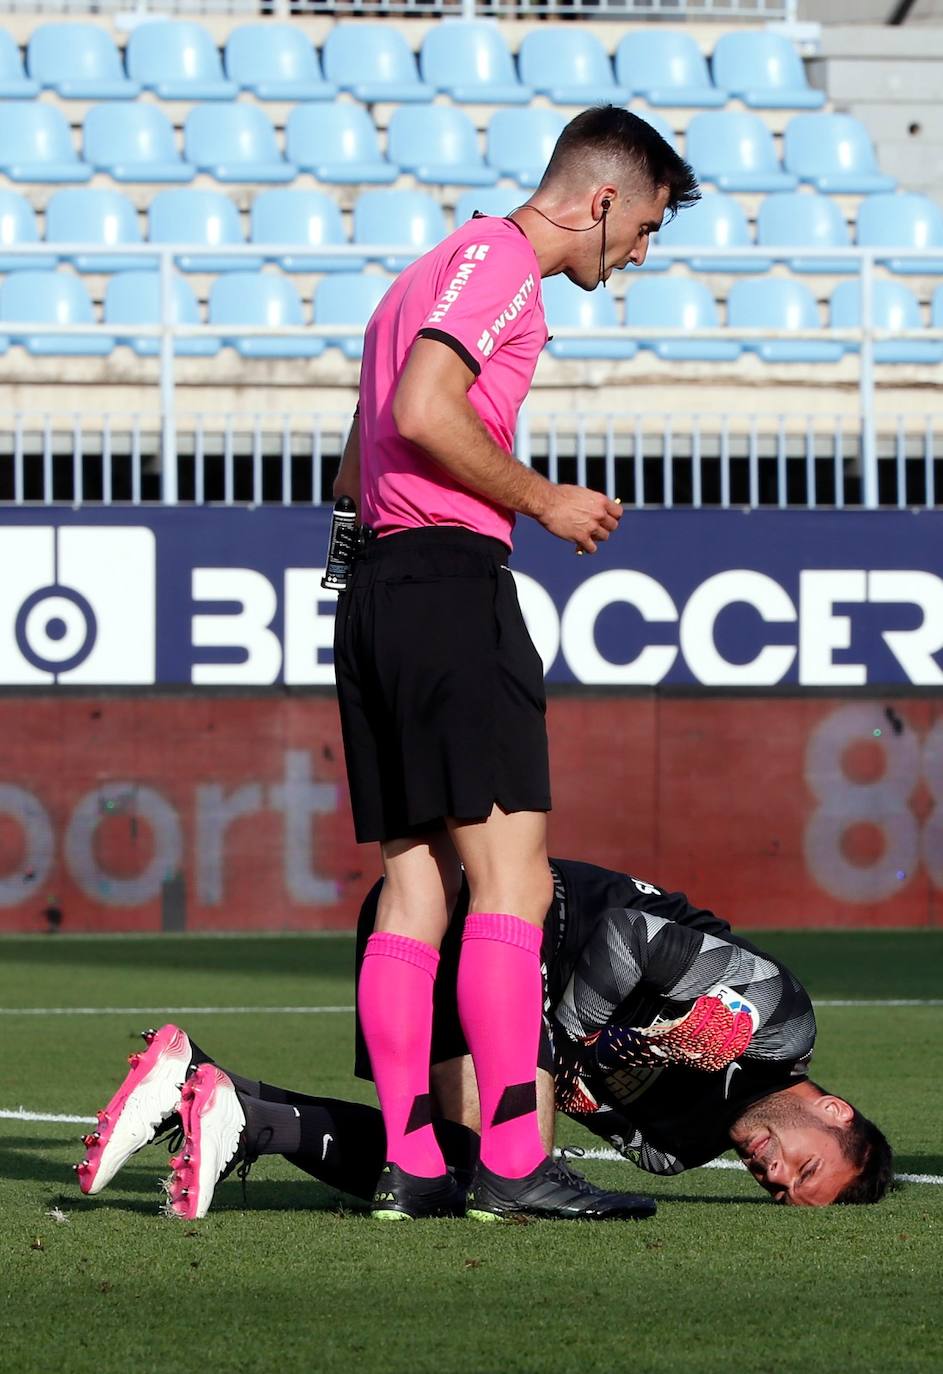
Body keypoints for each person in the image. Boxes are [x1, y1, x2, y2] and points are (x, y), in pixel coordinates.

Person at [318, 104, 700, 1223]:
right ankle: (515, 1161)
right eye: (643, 231)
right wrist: (543, 500)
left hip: (381, 591)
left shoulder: (421, 272)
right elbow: (423, 409)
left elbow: (356, 461)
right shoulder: (497, 265)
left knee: (415, 887)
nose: (637, 257)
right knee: (514, 881)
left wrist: (380, 593)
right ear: (601, 201)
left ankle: (413, 1165)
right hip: (446, 583)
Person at [74, 858, 892, 1216]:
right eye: (802, 1166)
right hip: (507, 917)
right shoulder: (779, 1020)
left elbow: (575, 1089)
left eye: (778, 1192)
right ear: (833, 1111)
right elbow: (622, 939)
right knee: (510, 1180)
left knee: (453, 1169)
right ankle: (239, 1113)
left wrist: (592, 1060)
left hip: (420, 922)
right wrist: (583, 1042)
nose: (772, 1174)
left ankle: (220, 1094)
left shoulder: (667, 1150)